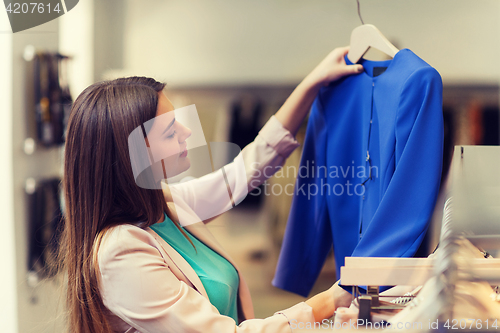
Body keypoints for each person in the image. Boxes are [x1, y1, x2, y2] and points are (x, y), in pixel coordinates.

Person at [60, 46, 363, 333]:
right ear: (131, 155)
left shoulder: (164, 205)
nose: (186, 131)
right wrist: (330, 300)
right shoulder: (120, 253)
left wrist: (313, 82)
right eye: (170, 129)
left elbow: (243, 172)